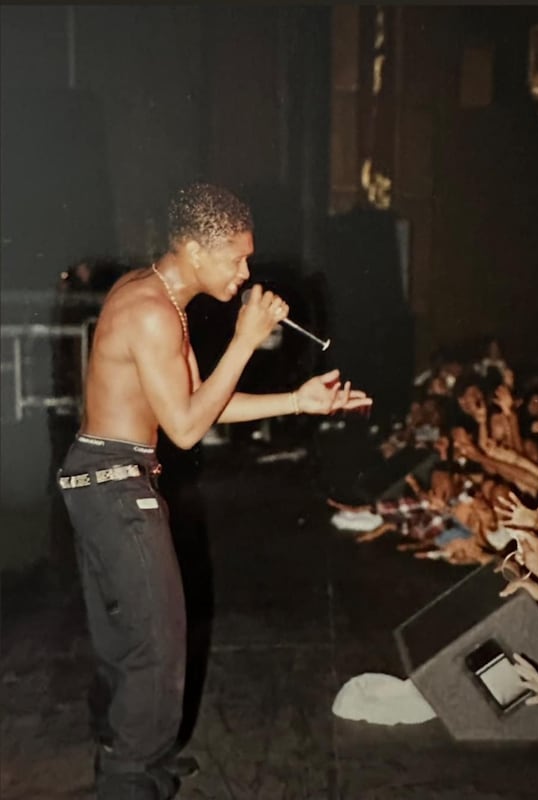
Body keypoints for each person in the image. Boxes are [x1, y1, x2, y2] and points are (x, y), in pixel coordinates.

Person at [57, 182, 372, 800]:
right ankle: (127, 783)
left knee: (135, 641)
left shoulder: (161, 301)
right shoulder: (150, 310)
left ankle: (137, 764)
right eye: (236, 257)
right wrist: (246, 340)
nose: (246, 272)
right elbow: (185, 428)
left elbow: (204, 404)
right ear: (198, 250)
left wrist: (298, 401)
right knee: (157, 646)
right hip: (114, 484)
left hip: (108, 478)